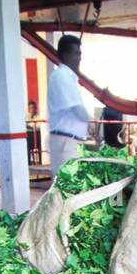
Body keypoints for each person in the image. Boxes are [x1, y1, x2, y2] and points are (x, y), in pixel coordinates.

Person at [47, 34, 90, 173]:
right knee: (66, 187)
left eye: (80, 54)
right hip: (65, 142)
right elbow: (77, 109)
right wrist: (93, 124)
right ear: (65, 55)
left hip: (70, 142)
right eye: (76, 54)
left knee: (71, 188)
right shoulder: (62, 76)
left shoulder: (69, 77)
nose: (79, 58)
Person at [26, 99, 42, 164]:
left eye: (33, 108)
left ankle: (40, 162)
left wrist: (29, 126)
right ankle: (29, 163)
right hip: (29, 135)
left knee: (39, 148)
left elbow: (37, 126)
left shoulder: (38, 116)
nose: (32, 109)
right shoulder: (27, 116)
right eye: (30, 108)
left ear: (35, 108)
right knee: (27, 147)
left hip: (36, 135)